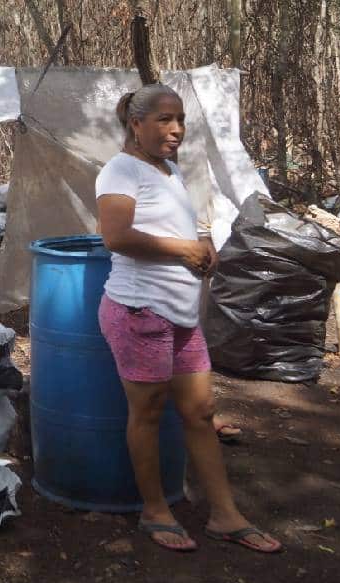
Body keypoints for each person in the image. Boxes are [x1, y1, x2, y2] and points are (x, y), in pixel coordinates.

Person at [96, 84, 281, 553]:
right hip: (140, 311)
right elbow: (116, 236)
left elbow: (184, 225)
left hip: (179, 314)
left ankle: (225, 514)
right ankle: (155, 510)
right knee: (149, 413)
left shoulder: (169, 169)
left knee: (199, 413)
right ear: (136, 124)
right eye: (163, 119)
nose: (176, 129)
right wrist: (184, 250)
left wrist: (206, 248)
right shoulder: (120, 170)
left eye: (179, 119)